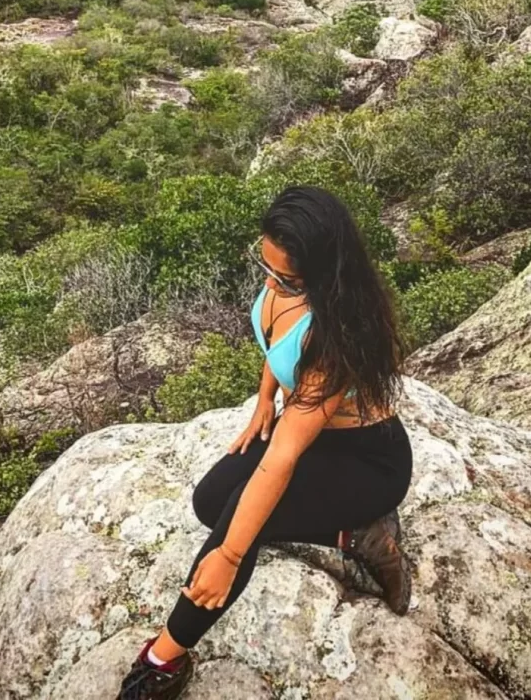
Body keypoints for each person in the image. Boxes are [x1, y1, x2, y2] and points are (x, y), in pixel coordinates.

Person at [117, 186, 414, 700]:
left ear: (325, 276)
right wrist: (264, 398)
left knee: (242, 522)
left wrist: (230, 556)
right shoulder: (285, 288)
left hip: (368, 461)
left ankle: (164, 657)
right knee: (209, 501)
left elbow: (283, 454)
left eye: (287, 279)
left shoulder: (336, 333)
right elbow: (277, 344)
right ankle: (354, 535)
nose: (271, 283)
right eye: (266, 267)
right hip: (316, 437)